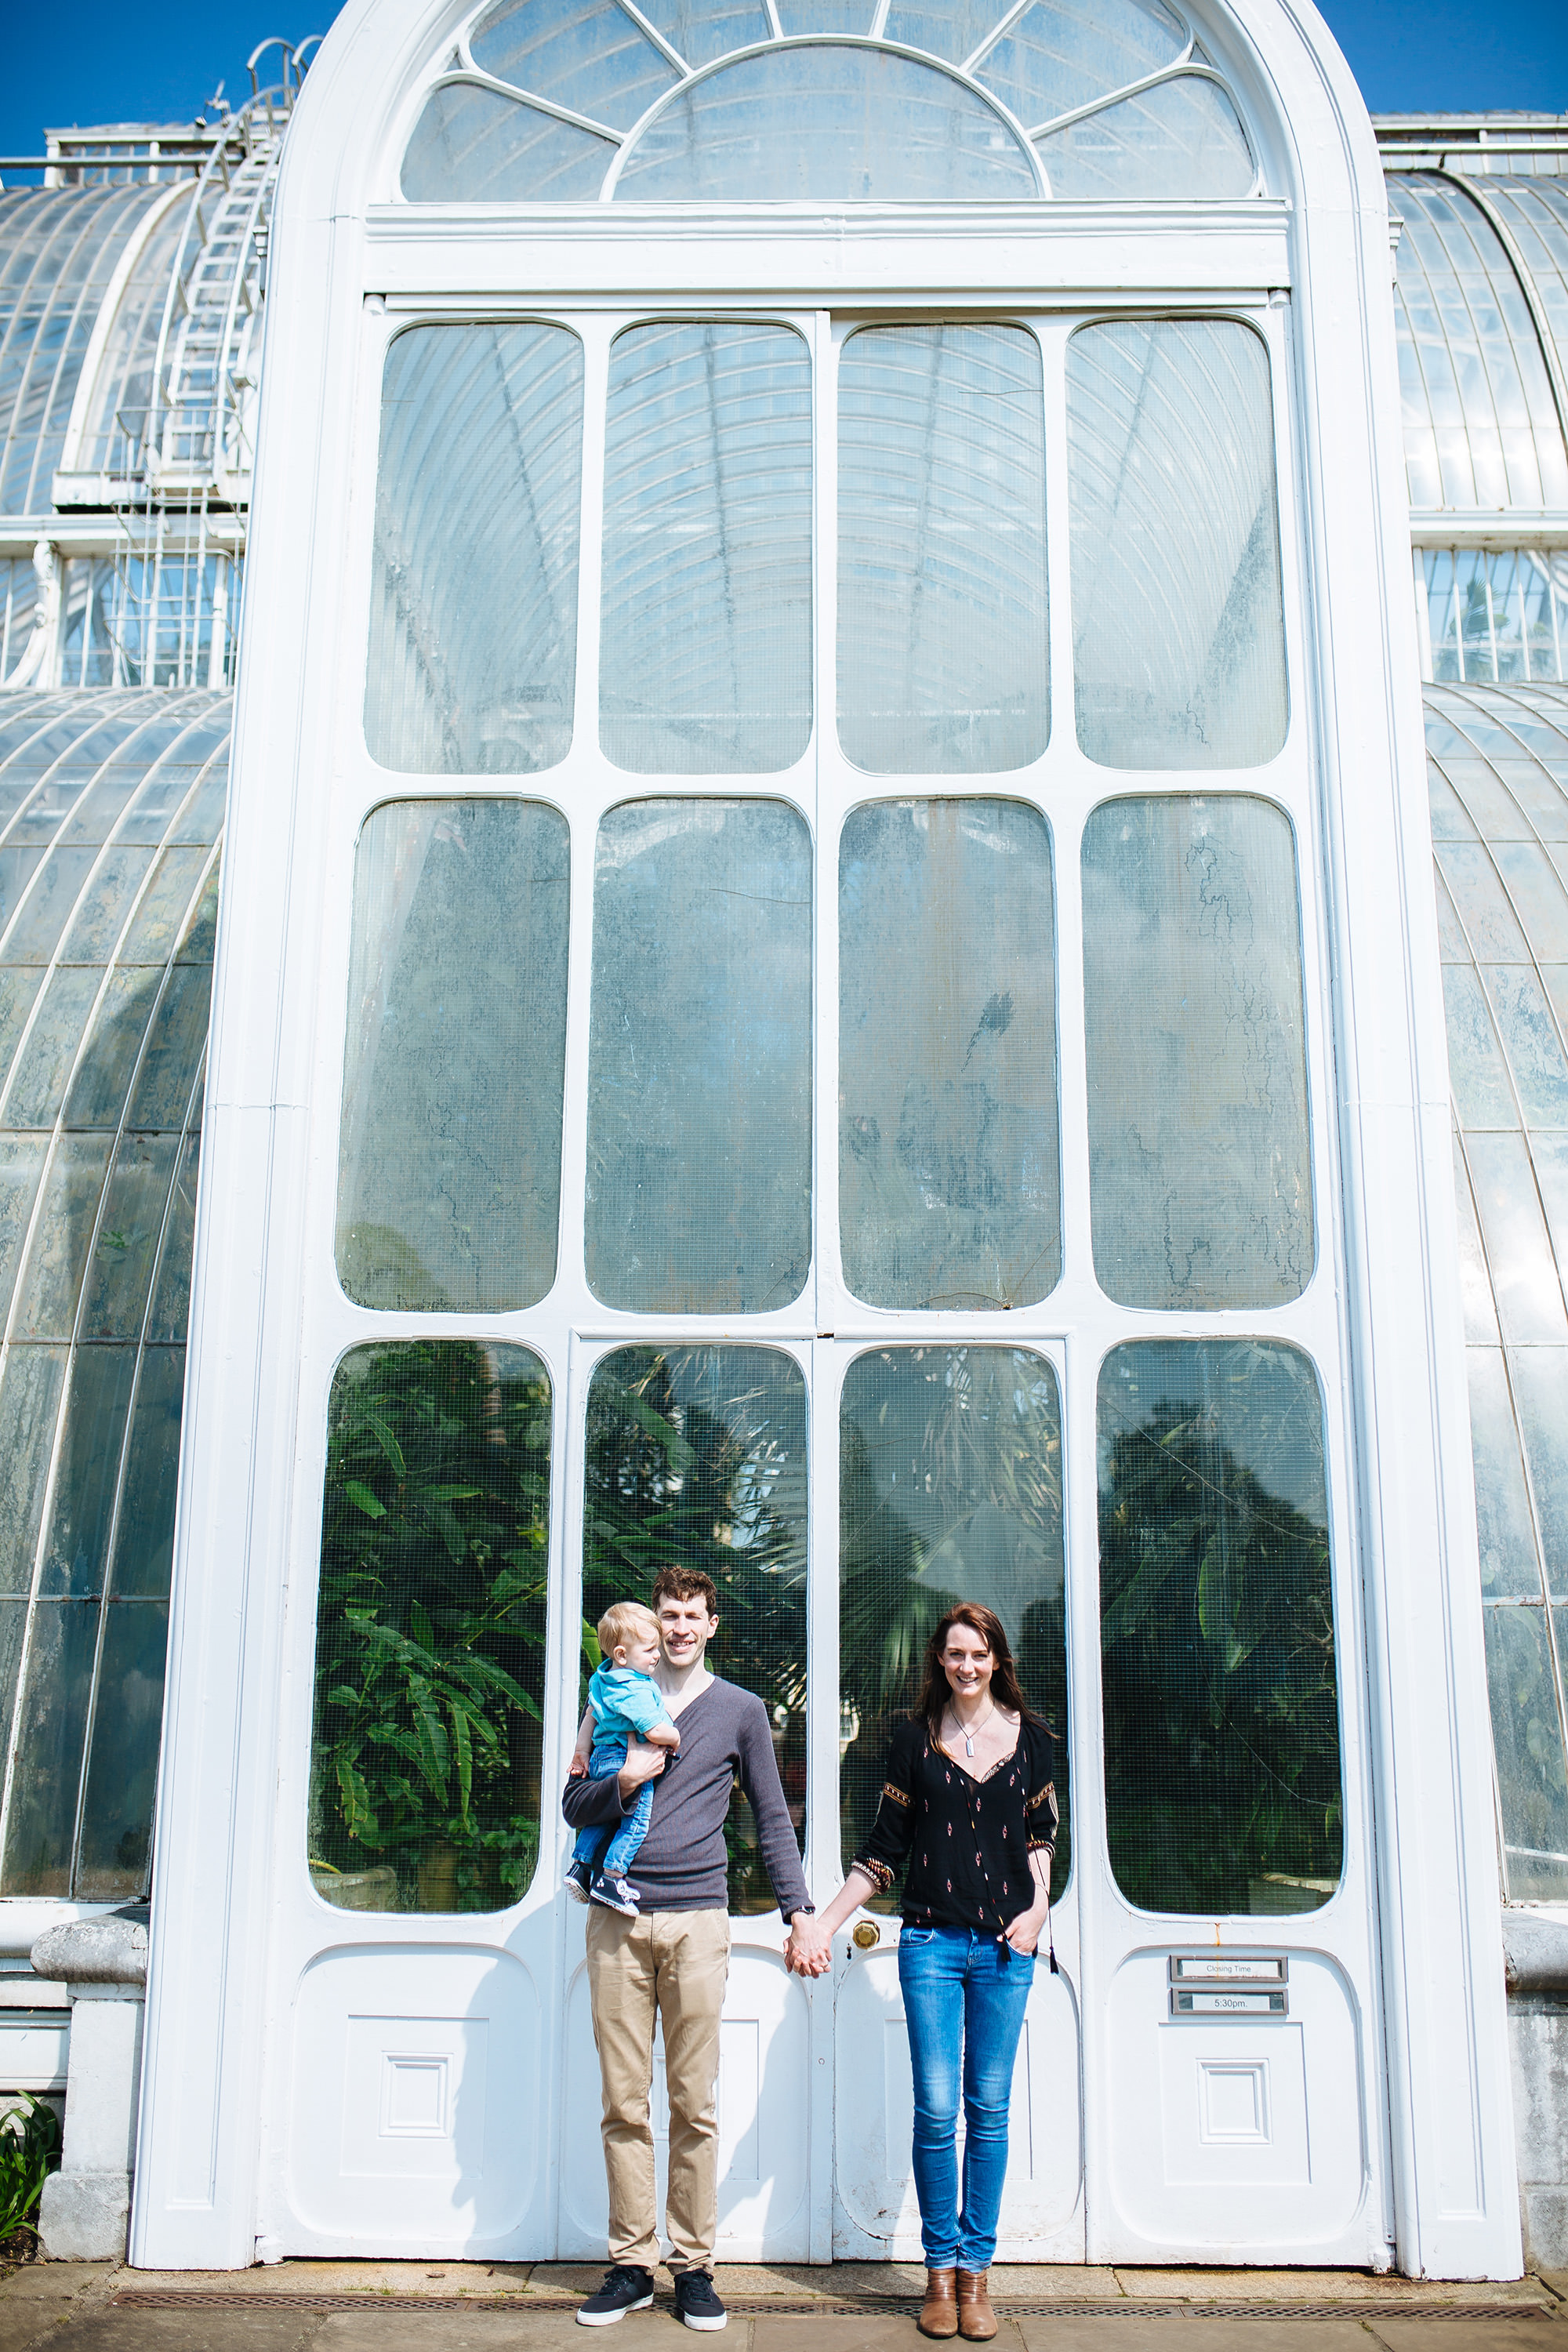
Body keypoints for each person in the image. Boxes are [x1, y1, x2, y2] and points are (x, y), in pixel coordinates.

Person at [787, 1603, 1057, 2345]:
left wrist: (1037, 1912)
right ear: (939, 1661)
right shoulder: (913, 1742)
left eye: (979, 1655)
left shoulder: (1033, 1743)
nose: (966, 1667)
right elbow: (883, 1852)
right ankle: (938, 2274)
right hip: (931, 1947)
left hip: (1006, 1951)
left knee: (990, 2110)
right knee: (938, 2111)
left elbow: (1042, 1837)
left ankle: (978, 2276)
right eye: (954, 1655)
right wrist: (823, 1922)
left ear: (998, 1660)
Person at [562, 1566, 819, 2333]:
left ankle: (694, 2268)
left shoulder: (738, 1711)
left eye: (690, 1616)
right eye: (667, 1613)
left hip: (698, 1923)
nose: (677, 1627)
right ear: (652, 1623)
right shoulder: (606, 1696)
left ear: (711, 1627)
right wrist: (627, 1780)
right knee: (622, 2101)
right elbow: (573, 1802)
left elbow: (772, 1818)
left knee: (692, 2104)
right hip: (616, 1922)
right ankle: (630, 2265)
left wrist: (799, 1912)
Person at [567, 1601, 682, 1915]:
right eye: (649, 1650)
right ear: (621, 1655)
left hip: (602, 1758)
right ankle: (612, 1878)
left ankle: (580, 1867)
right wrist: (674, 1736)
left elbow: (590, 1715)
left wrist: (581, 1753)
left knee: (605, 1816)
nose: (657, 1655)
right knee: (636, 1821)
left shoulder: (602, 1679)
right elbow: (654, 1730)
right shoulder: (634, 1688)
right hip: (626, 1758)